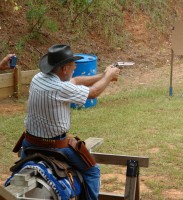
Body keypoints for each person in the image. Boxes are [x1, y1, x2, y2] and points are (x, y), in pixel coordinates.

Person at [13, 44, 120, 200]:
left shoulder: (38, 78)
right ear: (64, 69)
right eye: (72, 65)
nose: (75, 67)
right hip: (55, 146)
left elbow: (75, 81)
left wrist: (103, 75)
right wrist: (109, 77)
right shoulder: (58, 88)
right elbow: (94, 92)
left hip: (29, 143)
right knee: (92, 171)